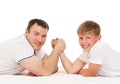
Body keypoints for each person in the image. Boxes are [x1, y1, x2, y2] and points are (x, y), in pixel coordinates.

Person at [52, 20, 120, 77]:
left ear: (98, 38)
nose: (84, 42)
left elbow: (90, 73)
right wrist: (59, 49)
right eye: (81, 38)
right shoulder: (86, 52)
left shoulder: (99, 47)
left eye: (88, 38)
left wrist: (79, 71)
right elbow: (71, 70)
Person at [0, 18, 66, 76]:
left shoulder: (34, 46)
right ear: (26, 32)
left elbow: (54, 67)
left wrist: (55, 49)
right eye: (36, 34)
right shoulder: (20, 46)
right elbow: (46, 71)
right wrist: (57, 49)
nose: (40, 40)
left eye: (43, 36)